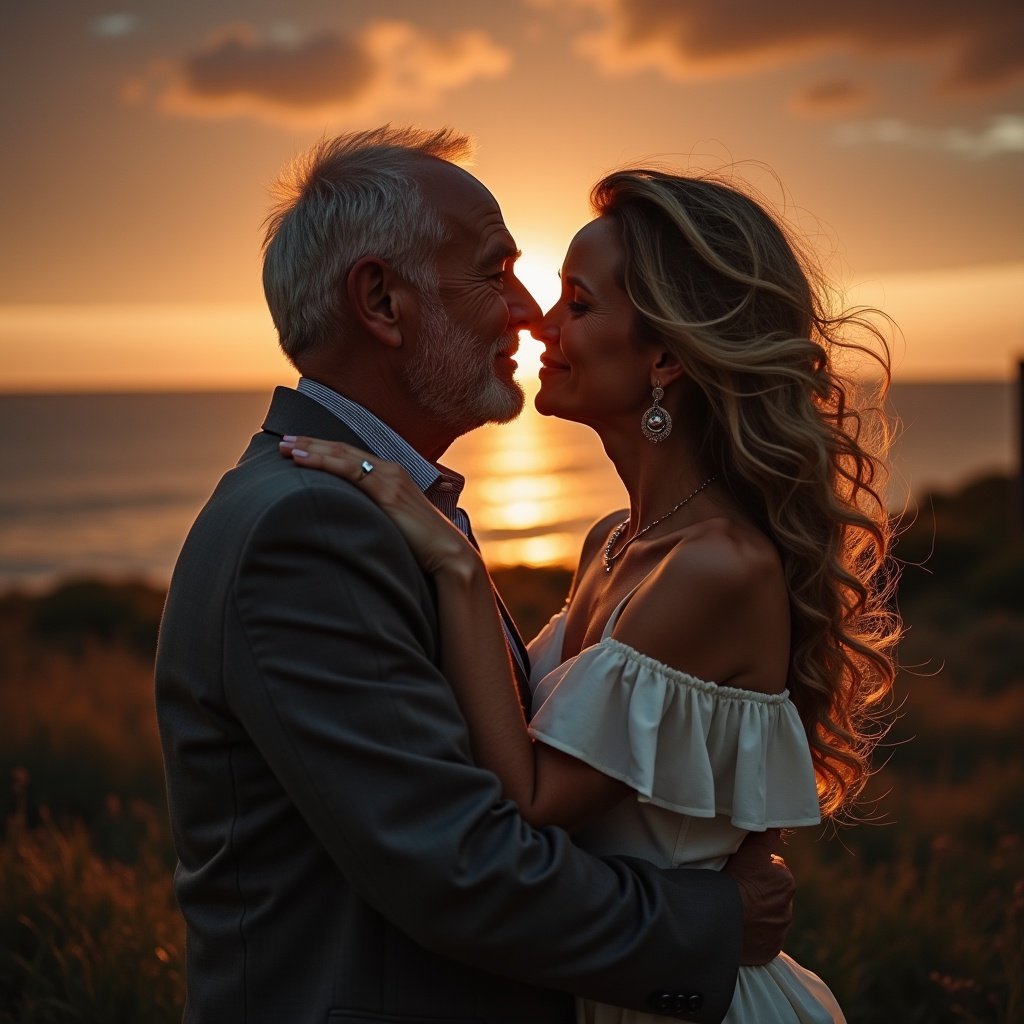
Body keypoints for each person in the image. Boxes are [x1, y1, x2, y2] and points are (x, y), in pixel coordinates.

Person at [155, 128, 796, 1024]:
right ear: (382, 300)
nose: (532, 312)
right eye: (497, 271)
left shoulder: (385, 508)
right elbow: (462, 867)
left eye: (568, 295)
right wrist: (714, 922)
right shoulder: (311, 526)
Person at [281, 166, 899, 1022]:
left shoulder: (717, 567)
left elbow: (532, 803)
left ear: (668, 354)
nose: (541, 324)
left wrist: (458, 568)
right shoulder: (614, 541)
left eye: (579, 301)